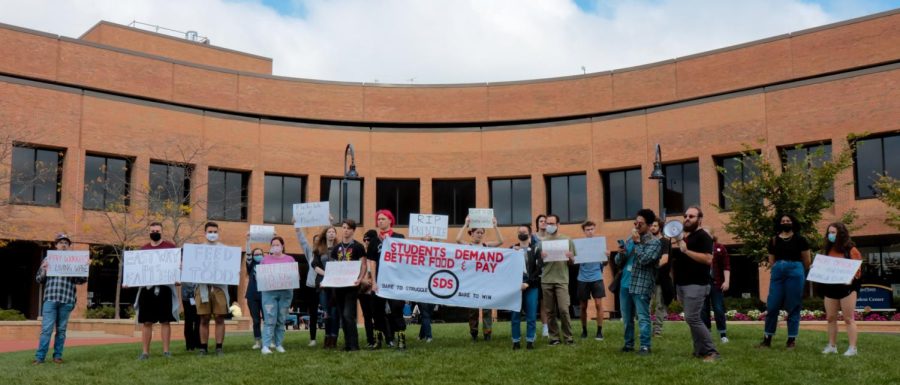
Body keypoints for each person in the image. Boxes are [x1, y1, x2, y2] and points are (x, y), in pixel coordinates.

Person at [670, 207, 719, 361]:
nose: (687, 218)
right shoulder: (687, 237)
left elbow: (708, 259)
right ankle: (699, 350)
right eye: (685, 215)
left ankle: (712, 352)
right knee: (692, 319)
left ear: (699, 219)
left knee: (692, 318)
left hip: (696, 284)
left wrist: (686, 251)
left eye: (691, 216)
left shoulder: (703, 236)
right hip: (683, 284)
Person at [33, 233, 87, 365]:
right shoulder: (48, 259)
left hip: (66, 299)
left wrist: (84, 268)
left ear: (68, 246)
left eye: (66, 242)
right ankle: (40, 358)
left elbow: (81, 280)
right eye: (61, 242)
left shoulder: (74, 260)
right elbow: (39, 279)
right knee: (46, 330)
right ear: (56, 245)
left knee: (61, 331)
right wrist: (44, 270)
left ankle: (57, 356)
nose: (63, 244)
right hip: (50, 299)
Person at [759, 214, 811, 349]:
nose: (785, 222)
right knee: (772, 305)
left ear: (793, 223)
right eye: (783, 221)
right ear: (779, 223)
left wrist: (795, 269)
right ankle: (767, 339)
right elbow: (771, 260)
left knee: (793, 306)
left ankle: (791, 340)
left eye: (788, 220)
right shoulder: (774, 240)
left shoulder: (801, 239)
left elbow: (807, 261)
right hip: (778, 273)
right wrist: (780, 267)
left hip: (795, 271)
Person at [614, 209, 662, 355]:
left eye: (640, 224)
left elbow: (644, 260)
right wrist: (620, 253)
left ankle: (645, 346)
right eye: (635, 223)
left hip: (641, 284)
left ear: (648, 225)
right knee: (627, 318)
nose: (636, 226)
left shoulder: (654, 243)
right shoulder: (630, 239)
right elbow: (618, 262)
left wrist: (637, 243)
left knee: (642, 317)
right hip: (625, 284)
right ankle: (628, 344)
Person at [134, 222, 179, 360]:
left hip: (165, 289)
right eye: (152, 230)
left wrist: (177, 277)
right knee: (147, 322)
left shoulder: (170, 247)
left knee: (165, 321)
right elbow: (137, 270)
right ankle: (145, 352)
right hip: (147, 290)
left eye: (157, 230)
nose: (155, 232)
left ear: (162, 232)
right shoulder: (143, 250)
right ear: (149, 232)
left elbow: (176, 267)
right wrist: (130, 281)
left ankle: (166, 351)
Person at [456, 215, 504, 342]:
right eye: (477, 232)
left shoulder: (486, 246)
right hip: (472, 283)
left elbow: (501, 241)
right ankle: (474, 333)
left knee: (487, 309)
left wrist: (495, 226)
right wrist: (465, 224)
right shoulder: (468, 246)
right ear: (471, 233)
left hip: (485, 282)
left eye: (482, 233)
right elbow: (458, 239)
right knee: (473, 311)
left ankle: (487, 333)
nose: (480, 235)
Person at [819, 222, 862, 356]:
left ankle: (852, 348)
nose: (830, 235)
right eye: (829, 232)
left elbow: (858, 271)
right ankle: (832, 346)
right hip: (830, 287)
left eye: (833, 232)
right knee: (831, 318)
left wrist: (850, 277)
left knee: (848, 318)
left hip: (847, 289)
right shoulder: (827, 250)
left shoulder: (851, 250)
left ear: (841, 234)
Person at [536, 214, 576, 346]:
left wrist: (570, 257)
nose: (550, 226)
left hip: (562, 280)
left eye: (552, 224)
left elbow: (572, 262)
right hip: (546, 280)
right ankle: (554, 338)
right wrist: (541, 258)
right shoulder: (542, 243)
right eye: (548, 223)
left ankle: (568, 337)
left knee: (564, 309)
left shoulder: (567, 240)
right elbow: (538, 264)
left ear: (558, 225)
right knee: (550, 311)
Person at [371, 210, 407, 348]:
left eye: (383, 219)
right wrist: (373, 282)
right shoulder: (375, 241)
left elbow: (404, 260)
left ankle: (401, 339)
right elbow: (372, 262)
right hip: (379, 282)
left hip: (395, 281)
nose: (380, 221)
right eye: (378, 219)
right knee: (377, 310)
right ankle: (378, 340)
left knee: (397, 309)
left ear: (390, 220)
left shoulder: (399, 237)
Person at [330, 219, 368, 351]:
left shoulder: (358, 246)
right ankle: (347, 344)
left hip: (352, 286)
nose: (345, 230)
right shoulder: (336, 248)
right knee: (342, 316)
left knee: (348, 315)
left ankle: (354, 345)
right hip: (339, 286)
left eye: (348, 228)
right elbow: (333, 267)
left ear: (353, 230)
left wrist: (361, 278)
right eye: (343, 227)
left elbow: (363, 264)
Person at [195, 222, 231, 356]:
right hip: (203, 288)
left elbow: (230, 268)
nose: (212, 234)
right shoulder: (197, 250)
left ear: (218, 233)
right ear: (205, 233)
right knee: (204, 318)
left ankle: (219, 347)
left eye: (215, 231)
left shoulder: (225, 250)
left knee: (219, 317)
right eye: (210, 231)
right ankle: (203, 347)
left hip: (219, 288)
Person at [259, 236, 295, 354]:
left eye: (277, 245)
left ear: (282, 246)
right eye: (273, 245)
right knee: (269, 319)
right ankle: (266, 345)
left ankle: (279, 344)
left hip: (285, 293)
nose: (275, 247)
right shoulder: (265, 260)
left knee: (281, 319)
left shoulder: (290, 259)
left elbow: (295, 276)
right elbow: (259, 277)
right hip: (269, 293)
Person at [511, 224, 541, 350]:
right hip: (515, 287)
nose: (522, 233)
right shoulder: (511, 249)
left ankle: (530, 341)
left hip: (531, 286)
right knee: (515, 315)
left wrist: (528, 283)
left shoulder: (535, 249)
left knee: (531, 315)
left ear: (530, 234)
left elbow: (538, 269)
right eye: (520, 232)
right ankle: (516, 341)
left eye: (524, 232)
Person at [577, 221, 607, 341]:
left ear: (595, 229)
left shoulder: (600, 244)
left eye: (592, 229)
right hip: (582, 278)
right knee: (583, 306)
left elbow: (605, 263)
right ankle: (584, 330)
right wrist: (571, 256)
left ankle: (599, 331)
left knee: (598, 304)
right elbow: (573, 261)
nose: (590, 231)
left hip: (597, 277)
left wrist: (607, 256)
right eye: (587, 229)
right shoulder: (579, 244)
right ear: (584, 231)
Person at [311, 225, 339, 349]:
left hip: (336, 285)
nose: (331, 234)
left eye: (333, 232)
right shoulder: (318, 249)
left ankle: (334, 337)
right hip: (323, 284)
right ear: (325, 234)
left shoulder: (339, 248)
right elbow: (315, 265)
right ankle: (327, 336)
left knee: (334, 312)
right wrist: (327, 274)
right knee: (326, 312)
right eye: (329, 232)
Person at [701, 232, 730, 343]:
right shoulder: (700, 248)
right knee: (704, 309)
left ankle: (723, 334)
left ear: (713, 235)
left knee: (718, 308)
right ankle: (707, 333)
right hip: (703, 283)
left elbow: (726, 266)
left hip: (716, 283)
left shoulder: (719, 248)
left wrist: (727, 281)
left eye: (708, 234)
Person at [294, 225, 319, 347]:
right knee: (313, 313)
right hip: (311, 286)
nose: (317, 244)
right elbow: (303, 242)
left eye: (320, 242)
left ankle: (331, 337)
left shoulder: (328, 254)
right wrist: (298, 229)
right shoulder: (311, 254)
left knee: (329, 313)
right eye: (315, 242)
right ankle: (313, 338)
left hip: (326, 286)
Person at [649, 218, 673, 336]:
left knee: (659, 305)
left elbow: (664, 260)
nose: (652, 227)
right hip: (647, 279)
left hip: (660, 279)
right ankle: (646, 330)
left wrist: (651, 265)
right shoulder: (647, 241)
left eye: (655, 225)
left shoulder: (665, 241)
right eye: (651, 226)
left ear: (660, 227)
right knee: (646, 305)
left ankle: (657, 331)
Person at [360, 229, 380, 349]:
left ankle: (381, 338)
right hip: (363, 290)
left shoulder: (378, 254)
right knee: (367, 316)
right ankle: (370, 340)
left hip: (375, 289)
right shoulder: (361, 255)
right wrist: (363, 280)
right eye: (365, 240)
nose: (366, 242)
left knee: (378, 315)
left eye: (368, 239)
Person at [244, 245, 265, 349]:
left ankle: (269, 340)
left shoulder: (267, 264)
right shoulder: (251, 265)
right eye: (256, 254)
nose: (258, 256)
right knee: (256, 320)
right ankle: (257, 341)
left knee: (267, 319)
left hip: (265, 295)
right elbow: (247, 255)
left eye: (260, 254)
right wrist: (248, 241)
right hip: (252, 296)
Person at [533, 214, 550, 338]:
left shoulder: (552, 238)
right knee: (534, 301)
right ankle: (532, 327)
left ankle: (545, 327)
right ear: (537, 223)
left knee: (545, 302)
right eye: (541, 221)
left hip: (549, 272)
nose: (543, 223)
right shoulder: (532, 238)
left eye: (545, 221)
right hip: (535, 273)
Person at [181, 282, 201, 351]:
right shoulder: (183, 271)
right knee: (188, 321)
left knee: (198, 320)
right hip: (187, 297)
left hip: (198, 295)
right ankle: (189, 344)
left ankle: (198, 343)